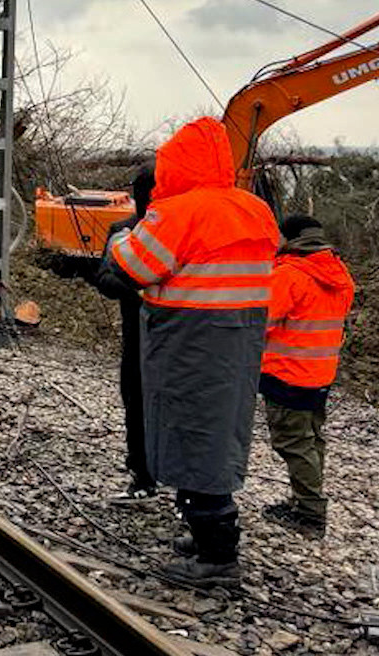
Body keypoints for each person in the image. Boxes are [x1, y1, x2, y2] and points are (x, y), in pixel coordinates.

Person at [105, 116, 278, 587]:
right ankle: (208, 535)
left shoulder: (178, 211)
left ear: (176, 166)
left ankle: (216, 557)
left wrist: (119, 236)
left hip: (189, 343)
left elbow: (135, 265)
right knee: (217, 438)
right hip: (239, 343)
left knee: (188, 436)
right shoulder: (254, 209)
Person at [258, 214, 356, 536]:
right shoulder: (339, 273)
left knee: (293, 443)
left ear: (290, 238)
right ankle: (304, 502)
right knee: (312, 440)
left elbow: (261, 320)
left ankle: (310, 513)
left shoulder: (290, 275)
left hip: (288, 374)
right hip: (320, 373)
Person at [91, 163, 156, 503]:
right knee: (136, 404)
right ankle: (144, 476)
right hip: (144, 337)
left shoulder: (129, 229)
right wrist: (135, 289)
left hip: (150, 339)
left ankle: (148, 479)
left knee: (141, 405)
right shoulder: (124, 230)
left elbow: (103, 278)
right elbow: (104, 278)